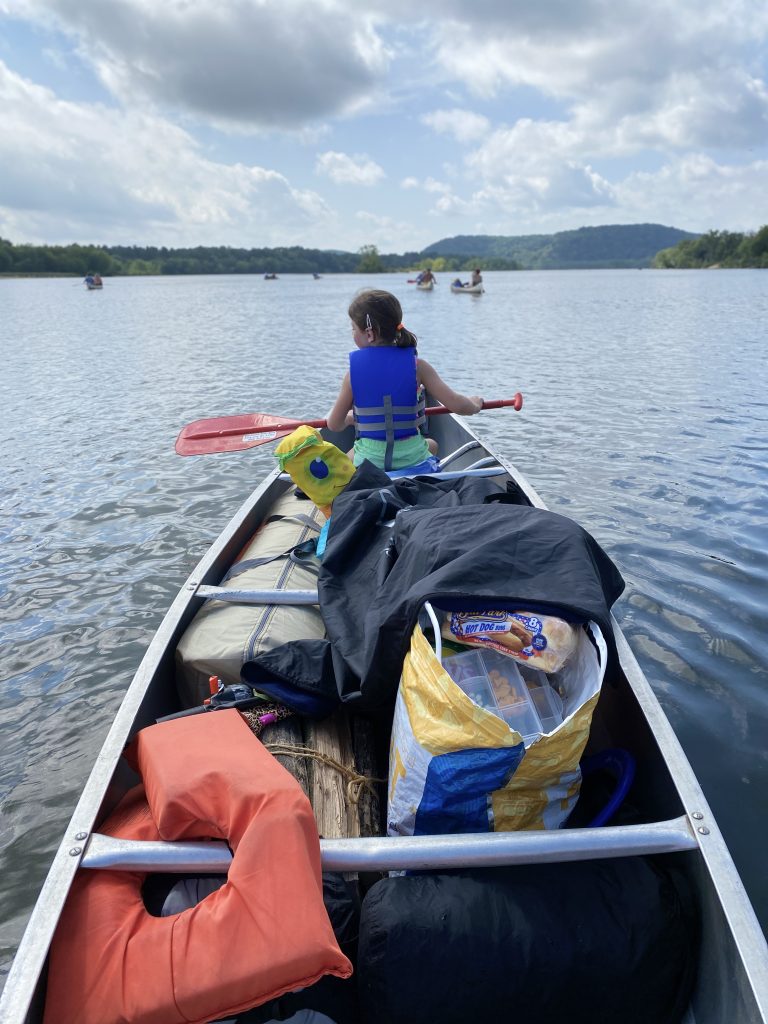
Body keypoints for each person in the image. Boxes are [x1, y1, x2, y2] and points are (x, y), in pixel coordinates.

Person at [326, 289, 483, 471]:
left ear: (369, 334)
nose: (352, 333)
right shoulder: (419, 367)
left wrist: (350, 419)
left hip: (370, 464)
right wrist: (474, 404)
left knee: (350, 456)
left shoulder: (351, 375)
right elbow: (458, 405)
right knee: (432, 444)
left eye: (353, 329)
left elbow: (334, 424)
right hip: (412, 458)